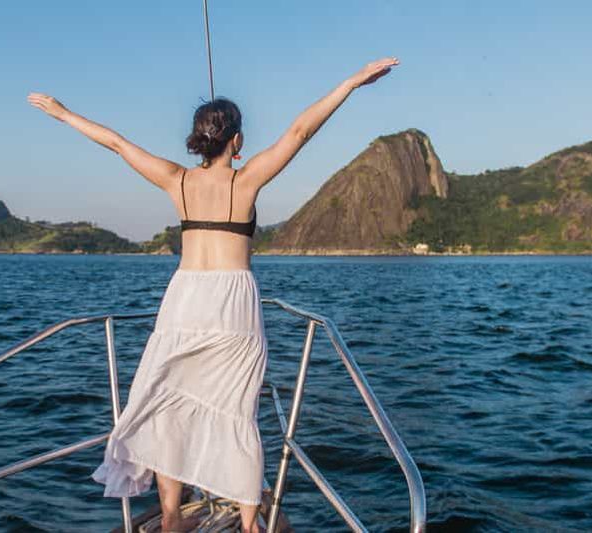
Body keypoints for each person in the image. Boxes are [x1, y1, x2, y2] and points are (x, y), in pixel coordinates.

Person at [27, 56, 399, 533]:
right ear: (237, 141)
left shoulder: (176, 179)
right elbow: (301, 132)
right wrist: (350, 82)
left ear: (200, 138)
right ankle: (248, 525)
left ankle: (168, 519)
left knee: (167, 411)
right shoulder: (246, 180)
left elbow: (117, 144)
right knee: (237, 413)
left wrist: (62, 112)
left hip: (183, 301)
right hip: (232, 305)